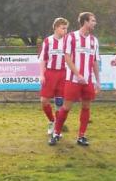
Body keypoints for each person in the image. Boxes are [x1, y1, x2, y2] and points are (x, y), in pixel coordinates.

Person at [51, 12, 101, 146]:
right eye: (93, 20)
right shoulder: (71, 37)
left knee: (86, 106)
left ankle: (81, 136)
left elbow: (95, 61)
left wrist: (97, 80)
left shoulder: (94, 40)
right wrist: (77, 74)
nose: (95, 23)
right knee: (66, 107)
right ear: (85, 22)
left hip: (88, 81)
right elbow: (67, 57)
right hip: (72, 79)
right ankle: (56, 133)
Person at [39, 18, 69, 143]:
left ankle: (57, 129)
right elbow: (43, 59)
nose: (65, 30)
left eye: (66, 28)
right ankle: (52, 121)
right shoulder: (48, 41)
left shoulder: (68, 41)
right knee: (44, 101)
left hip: (63, 73)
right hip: (50, 73)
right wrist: (42, 74)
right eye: (63, 28)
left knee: (59, 102)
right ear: (56, 27)